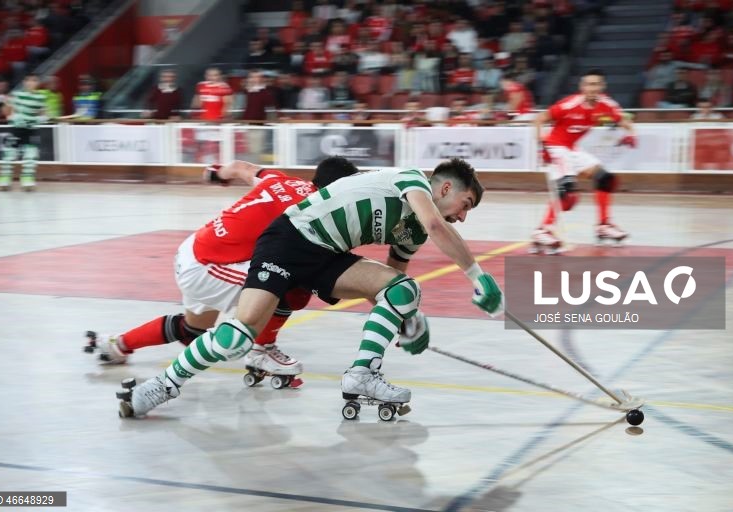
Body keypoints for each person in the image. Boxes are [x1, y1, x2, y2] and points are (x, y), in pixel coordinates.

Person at [120, 158, 503, 418]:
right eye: (465, 204)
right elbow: (439, 226)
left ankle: (362, 374)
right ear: (446, 187)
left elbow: (390, 277)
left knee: (403, 291)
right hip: (290, 238)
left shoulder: (413, 229)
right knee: (238, 335)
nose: (463, 217)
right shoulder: (413, 180)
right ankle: (163, 385)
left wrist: (408, 318)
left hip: (327, 253)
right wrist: (477, 275)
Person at [89, 157, 359, 378]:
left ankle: (117, 345)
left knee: (191, 330)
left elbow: (241, 166)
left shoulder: (282, 179)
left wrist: (216, 173)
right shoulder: (311, 210)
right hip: (208, 267)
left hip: (195, 248)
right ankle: (262, 351)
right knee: (291, 283)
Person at [532, 69, 637, 251]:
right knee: (568, 195)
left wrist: (631, 134)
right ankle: (543, 230)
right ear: (582, 87)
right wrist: (541, 145)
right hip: (556, 146)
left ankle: (603, 226)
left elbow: (625, 119)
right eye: (588, 84)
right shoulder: (569, 104)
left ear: (602, 87)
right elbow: (540, 119)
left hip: (572, 149)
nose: (592, 88)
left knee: (605, 179)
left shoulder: (606, 104)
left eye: (596, 84)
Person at [0, 72, 46, 191]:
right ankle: (4, 178)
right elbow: (6, 112)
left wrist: (39, 119)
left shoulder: (41, 97)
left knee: (31, 155)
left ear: (37, 83)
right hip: (16, 129)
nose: (30, 83)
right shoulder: (17, 95)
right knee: (9, 154)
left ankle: (27, 178)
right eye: (28, 80)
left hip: (32, 130)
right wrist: (7, 106)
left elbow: (43, 113)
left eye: (34, 80)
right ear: (24, 82)